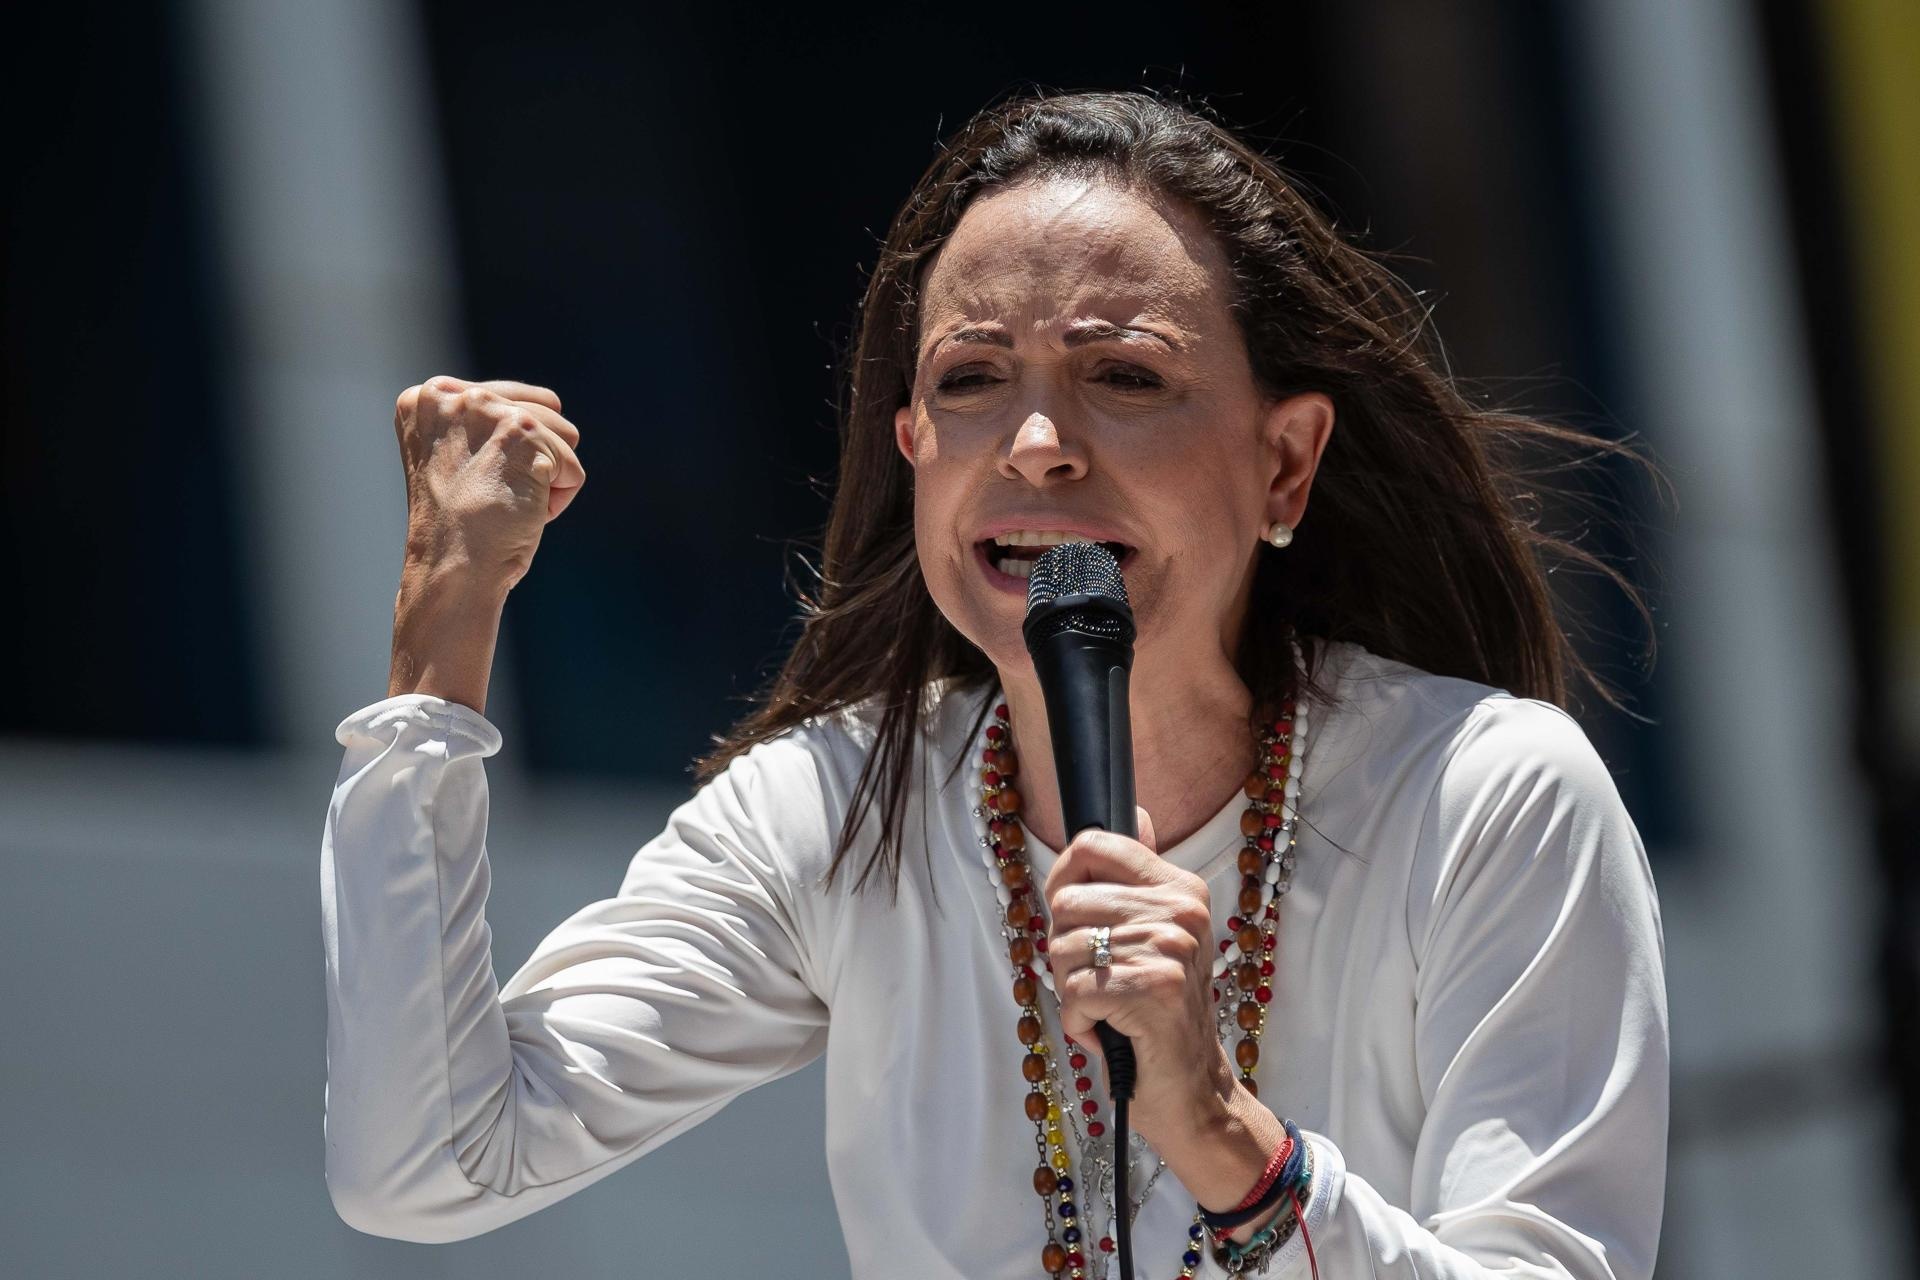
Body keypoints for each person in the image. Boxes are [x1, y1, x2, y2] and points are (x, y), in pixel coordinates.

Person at [322, 90, 1669, 1279]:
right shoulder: (836, 810)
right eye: (971, 380)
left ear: (1285, 465)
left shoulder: (1487, 796)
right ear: (914, 447)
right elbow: (426, 1164)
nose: (1035, 445)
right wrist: (443, 629)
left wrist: (1227, 1140)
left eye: (1123, 376)